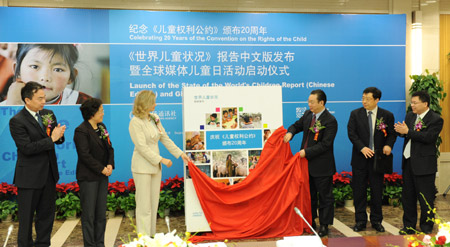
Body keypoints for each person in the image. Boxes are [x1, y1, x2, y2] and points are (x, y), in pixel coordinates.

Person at [9, 81, 66, 246]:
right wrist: (51, 139)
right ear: (27, 100)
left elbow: (57, 140)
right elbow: (27, 148)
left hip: (48, 175)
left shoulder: (48, 114)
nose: (44, 101)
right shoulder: (17, 121)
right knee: (26, 220)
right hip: (29, 178)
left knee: (46, 217)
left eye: (44, 97)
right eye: (40, 98)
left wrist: (59, 135)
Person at [129, 90, 190, 236]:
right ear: (145, 104)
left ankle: (151, 237)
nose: (156, 104)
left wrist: (180, 153)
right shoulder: (135, 122)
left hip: (155, 168)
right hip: (142, 167)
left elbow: (165, 138)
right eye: (153, 102)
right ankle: (143, 240)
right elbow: (142, 148)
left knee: (153, 204)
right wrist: (161, 159)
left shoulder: (154, 118)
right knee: (144, 206)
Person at [283, 89, 337, 237]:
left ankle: (325, 225)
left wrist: (306, 152)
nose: (309, 104)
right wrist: (290, 132)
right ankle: (310, 221)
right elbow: (296, 125)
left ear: (321, 102)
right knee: (309, 196)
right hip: (306, 166)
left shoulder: (330, 121)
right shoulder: (308, 115)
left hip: (322, 166)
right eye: (308, 101)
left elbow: (325, 145)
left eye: (312, 102)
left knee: (325, 197)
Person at [347, 87, 396, 233]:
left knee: (376, 191)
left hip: (378, 159)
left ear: (377, 100)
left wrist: (388, 145)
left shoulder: (386, 115)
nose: (364, 101)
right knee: (359, 192)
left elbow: (392, 134)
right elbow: (351, 133)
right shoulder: (355, 114)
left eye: (368, 99)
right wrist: (362, 147)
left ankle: (376, 221)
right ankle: (360, 221)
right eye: (363, 98)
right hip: (360, 158)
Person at [394, 90, 443, 235]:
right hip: (408, 162)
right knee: (408, 197)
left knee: (425, 198)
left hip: (424, 165)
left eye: (415, 103)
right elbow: (407, 133)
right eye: (412, 102)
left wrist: (408, 131)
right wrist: (400, 131)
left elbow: (428, 137)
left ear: (425, 103)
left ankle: (427, 227)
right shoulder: (410, 116)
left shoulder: (435, 119)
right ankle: (408, 226)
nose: (412, 105)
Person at [74, 98, 114, 246]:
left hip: (103, 176)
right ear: (92, 113)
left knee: (100, 213)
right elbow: (84, 155)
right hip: (89, 177)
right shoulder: (81, 130)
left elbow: (110, 148)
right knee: (89, 214)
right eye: (100, 110)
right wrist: (101, 168)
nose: (103, 113)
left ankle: (99, 243)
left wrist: (109, 164)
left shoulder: (101, 127)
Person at [2, 44, 91, 105]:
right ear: (17, 71)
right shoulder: (7, 105)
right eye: (34, 66)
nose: (45, 77)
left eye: (57, 69)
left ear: (71, 77)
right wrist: (13, 108)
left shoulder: (84, 103)